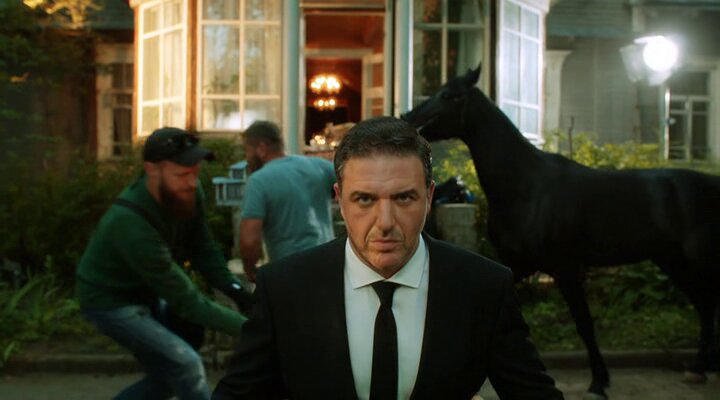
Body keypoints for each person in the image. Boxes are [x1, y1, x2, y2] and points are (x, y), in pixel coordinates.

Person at [212, 116, 563, 399]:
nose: (385, 222)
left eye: (404, 198)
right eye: (365, 199)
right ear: (340, 200)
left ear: (429, 197)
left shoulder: (483, 287)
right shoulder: (285, 289)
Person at [76, 127, 254, 400]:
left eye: (195, 172)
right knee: (186, 365)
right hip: (109, 302)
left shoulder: (187, 194)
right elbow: (187, 301)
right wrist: (250, 329)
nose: (191, 182)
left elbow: (203, 250)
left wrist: (238, 292)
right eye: (181, 175)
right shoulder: (130, 223)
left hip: (144, 291)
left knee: (170, 373)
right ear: (152, 170)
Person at [238, 120, 336, 282]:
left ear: (261, 149)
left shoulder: (259, 181)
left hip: (290, 273)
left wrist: (251, 271)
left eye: (247, 151)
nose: (246, 158)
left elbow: (249, 240)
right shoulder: (321, 166)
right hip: (330, 266)